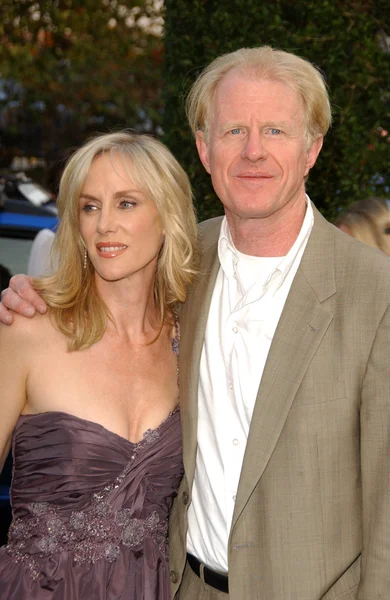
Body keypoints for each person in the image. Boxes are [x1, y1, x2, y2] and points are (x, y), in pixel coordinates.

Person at [2, 46, 390, 600]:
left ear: (313, 148)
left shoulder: (377, 294)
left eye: (276, 131)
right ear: (205, 150)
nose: (253, 151)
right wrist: (30, 293)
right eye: (233, 131)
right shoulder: (183, 266)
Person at [0, 130, 199, 599]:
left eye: (127, 203)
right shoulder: (27, 328)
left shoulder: (191, 341)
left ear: (167, 216)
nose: (104, 224)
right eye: (90, 206)